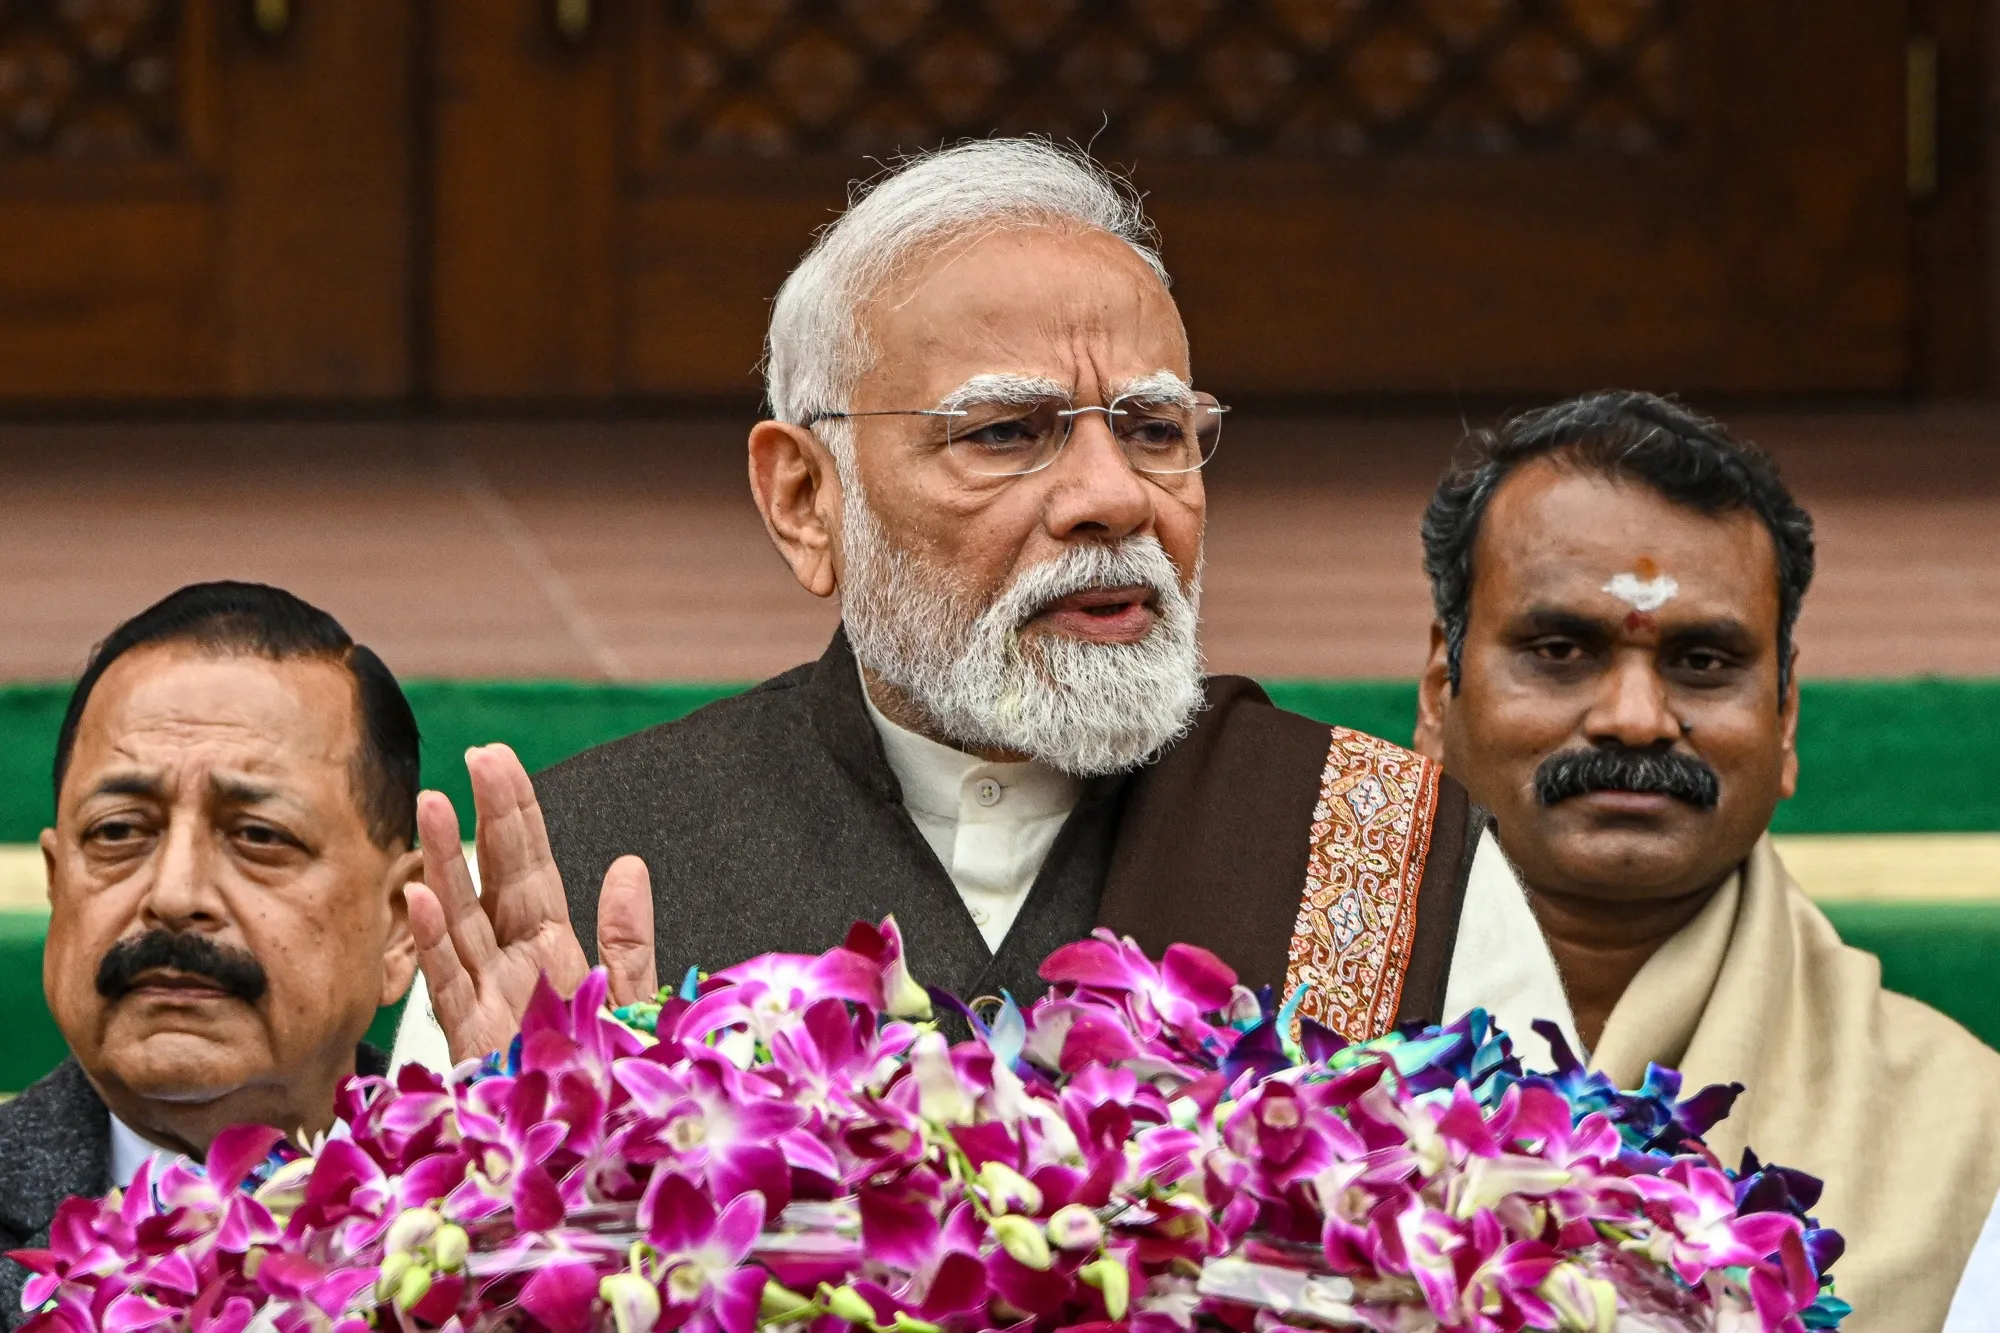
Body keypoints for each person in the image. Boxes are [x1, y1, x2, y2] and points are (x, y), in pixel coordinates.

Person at [393, 139, 1575, 1073]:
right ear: (806, 499)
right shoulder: (586, 872)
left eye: (1156, 431)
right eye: (1006, 433)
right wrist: (544, 1155)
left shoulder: (1374, 847)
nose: (1111, 497)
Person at [1412, 390, 2000, 1333]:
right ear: (1442, 695)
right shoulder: (1292, 1048)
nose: (1635, 717)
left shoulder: (1971, 1142)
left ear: (1787, 719)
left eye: (1704, 662)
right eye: (1562, 649)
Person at [0, 583, 423, 1327]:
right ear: (59, 883)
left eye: (258, 835)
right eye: (120, 830)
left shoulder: (508, 1222)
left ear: (398, 925)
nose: (174, 892)